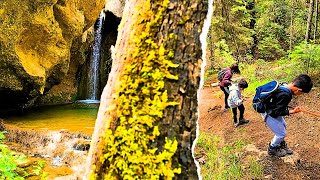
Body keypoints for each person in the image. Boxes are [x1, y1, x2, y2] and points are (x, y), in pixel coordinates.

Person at [262, 74, 313, 157]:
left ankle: (280, 144)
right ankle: (272, 149)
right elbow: (277, 112)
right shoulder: (286, 94)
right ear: (299, 90)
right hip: (268, 113)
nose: (300, 94)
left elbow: (277, 103)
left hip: (270, 109)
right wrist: (292, 111)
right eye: (302, 93)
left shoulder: (284, 85)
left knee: (284, 125)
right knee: (281, 134)